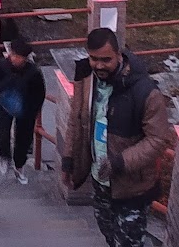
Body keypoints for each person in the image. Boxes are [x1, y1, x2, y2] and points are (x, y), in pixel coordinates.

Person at [67, 28, 171, 247]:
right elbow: (77, 120)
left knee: (127, 242)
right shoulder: (87, 78)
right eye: (94, 59)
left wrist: (120, 162)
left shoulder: (145, 91)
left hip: (132, 187)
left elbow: (157, 140)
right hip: (100, 181)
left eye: (106, 59)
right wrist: (69, 159)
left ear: (119, 54)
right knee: (109, 235)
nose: (99, 65)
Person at [0, 36, 48, 183]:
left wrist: (33, 111)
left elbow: (39, 93)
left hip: (25, 111)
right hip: (5, 104)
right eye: (13, 54)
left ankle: (19, 166)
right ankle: (5, 157)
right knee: (2, 135)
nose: (15, 59)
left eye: (19, 56)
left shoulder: (34, 73)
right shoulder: (2, 66)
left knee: (23, 140)